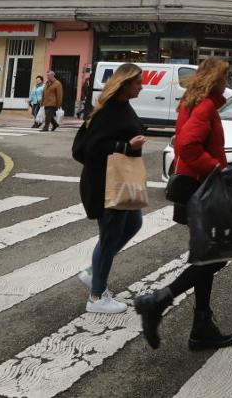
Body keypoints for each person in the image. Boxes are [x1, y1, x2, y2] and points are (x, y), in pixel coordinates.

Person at [135, 57, 232, 352]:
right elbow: (188, 145)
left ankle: (202, 326)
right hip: (201, 188)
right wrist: (215, 168)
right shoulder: (205, 107)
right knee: (215, 256)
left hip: (193, 186)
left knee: (206, 256)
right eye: (224, 78)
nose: (226, 83)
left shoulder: (191, 103)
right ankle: (159, 300)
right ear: (215, 80)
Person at [74, 63, 147, 314]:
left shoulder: (122, 107)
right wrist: (126, 146)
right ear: (125, 84)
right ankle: (96, 296)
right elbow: (89, 149)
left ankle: (93, 272)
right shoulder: (108, 111)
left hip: (119, 182)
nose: (141, 87)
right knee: (109, 238)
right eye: (138, 82)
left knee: (133, 223)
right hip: (105, 185)